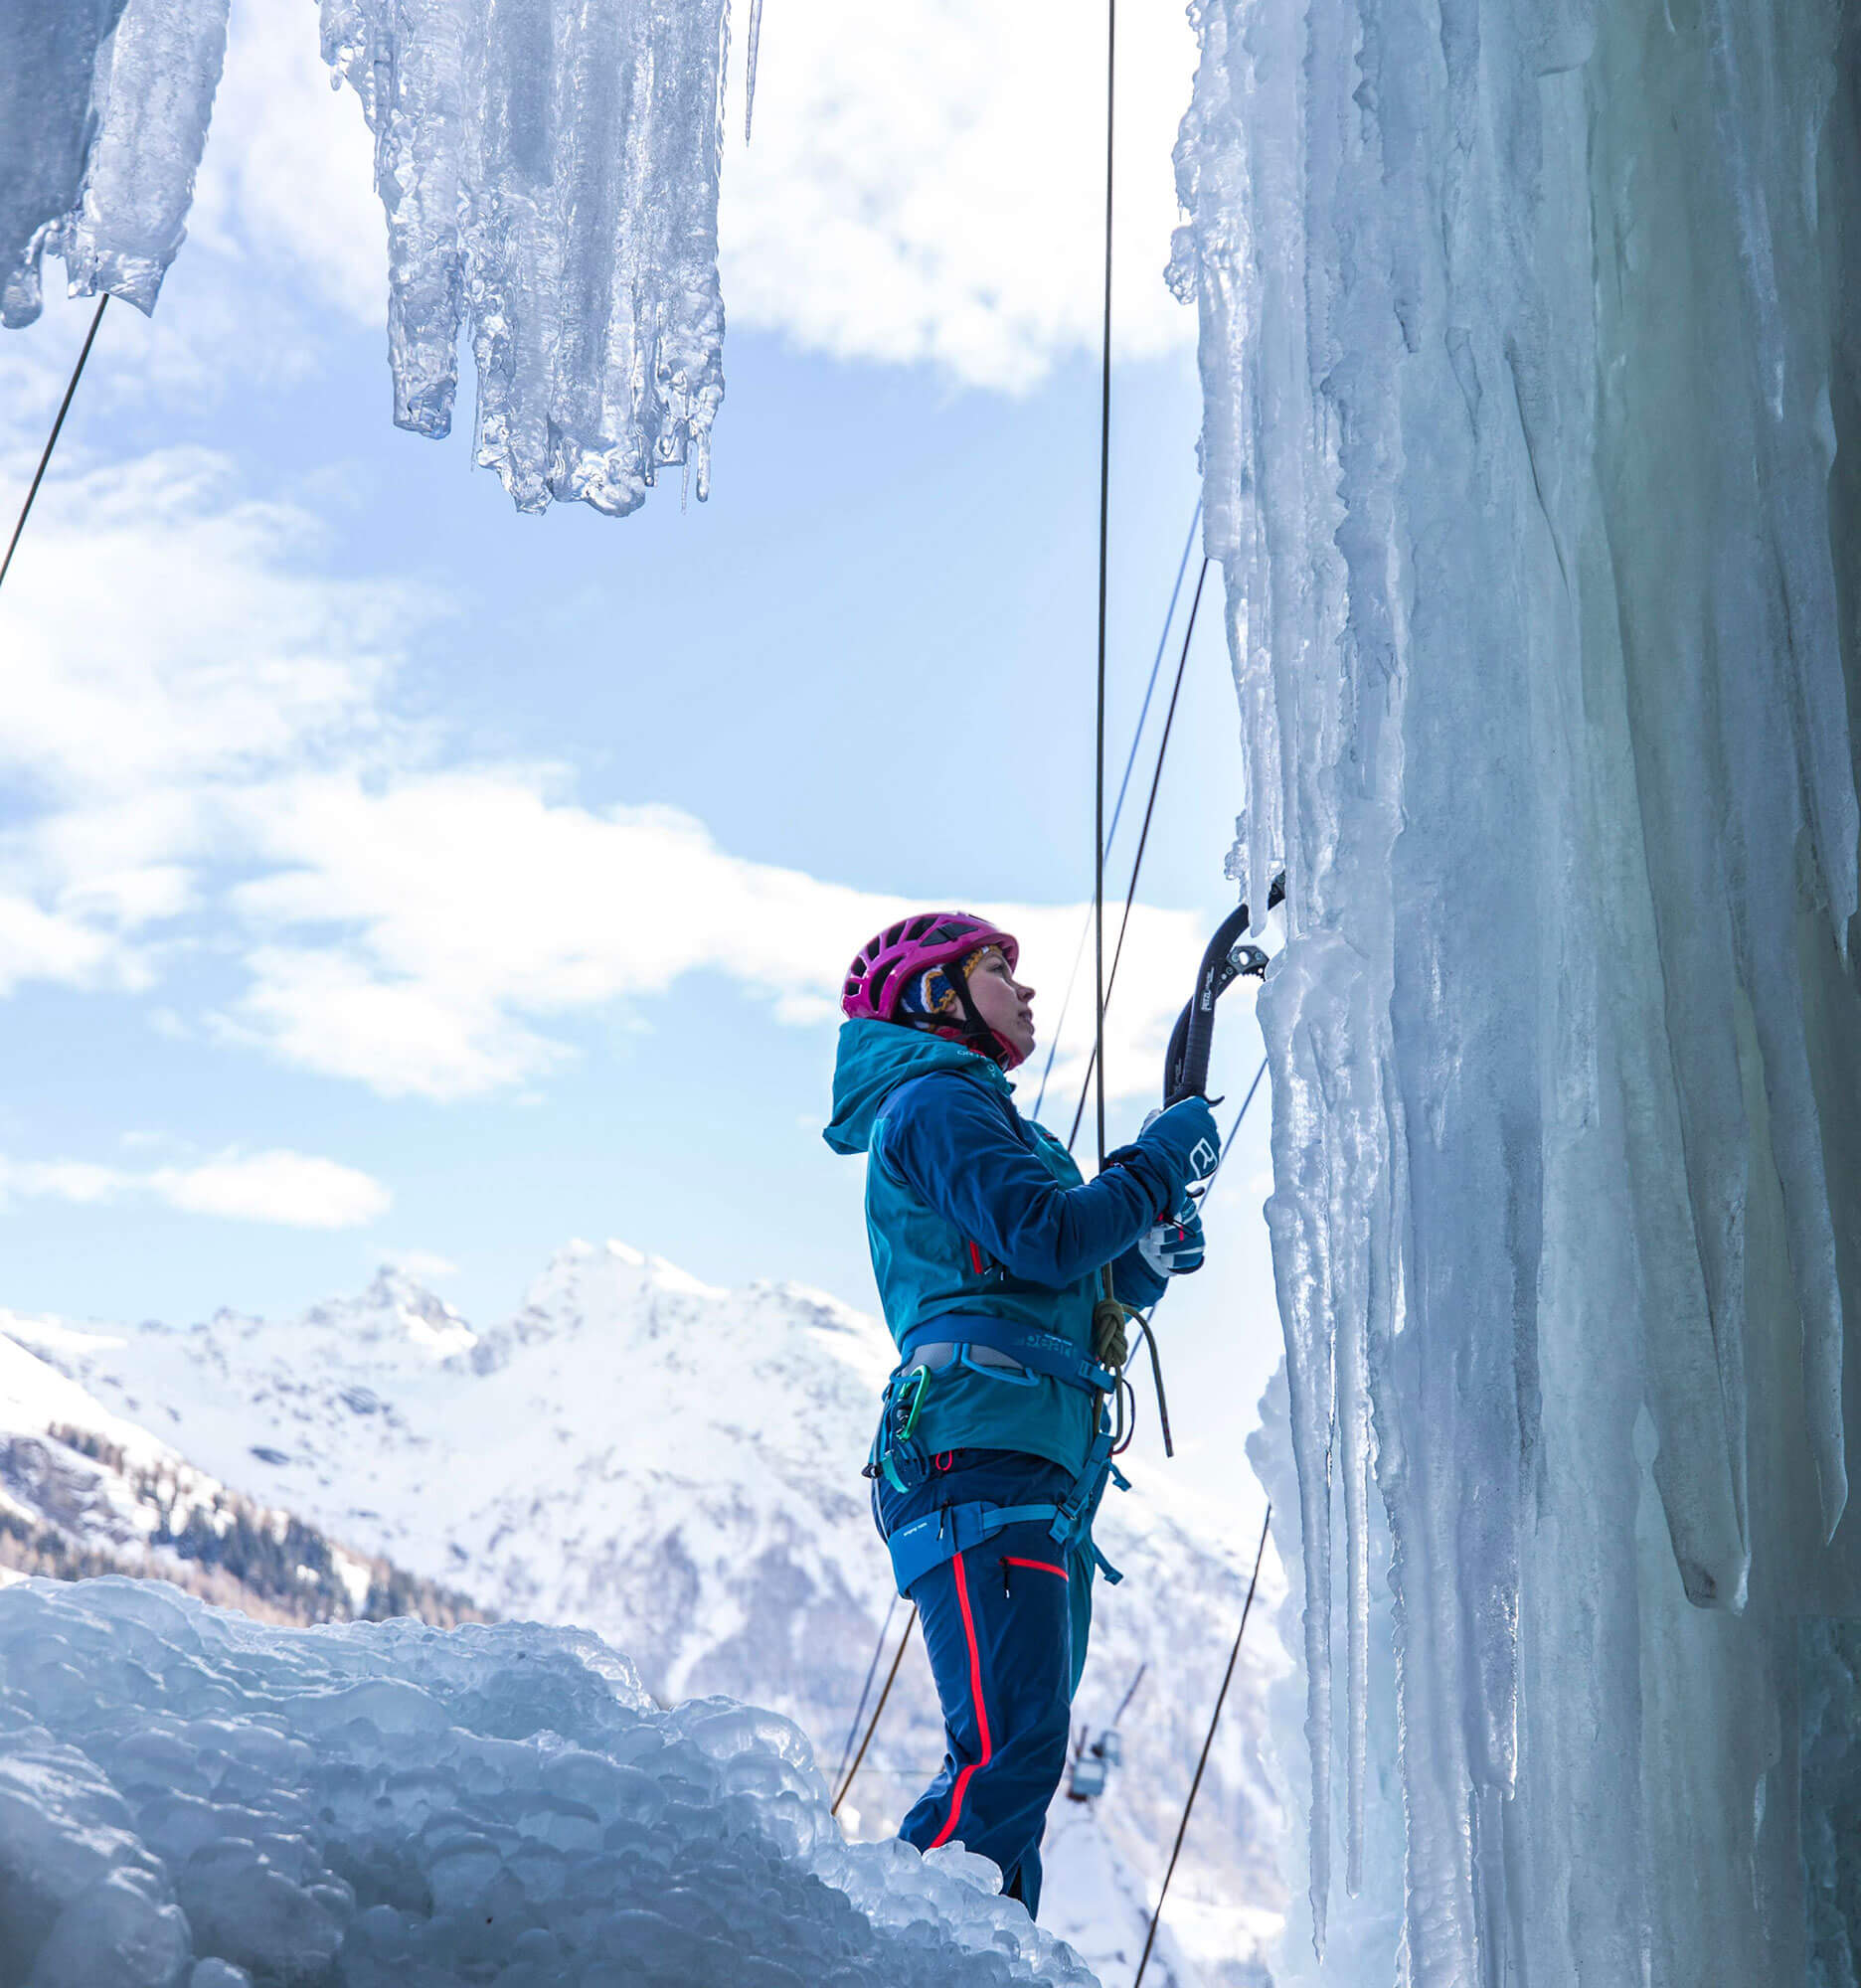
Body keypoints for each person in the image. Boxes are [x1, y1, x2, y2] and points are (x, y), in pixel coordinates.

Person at [823, 911, 1220, 1917]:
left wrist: (1138, 1267)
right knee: (1012, 1749)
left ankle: (984, 1948)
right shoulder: (937, 1102)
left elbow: (1060, 1277)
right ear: (934, 994)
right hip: (982, 1456)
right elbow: (1047, 1237)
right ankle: (906, 1954)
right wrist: (1156, 1166)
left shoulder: (990, 1121)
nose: (1026, 988)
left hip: (1020, 1457)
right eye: (999, 968)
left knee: (1021, 1753)